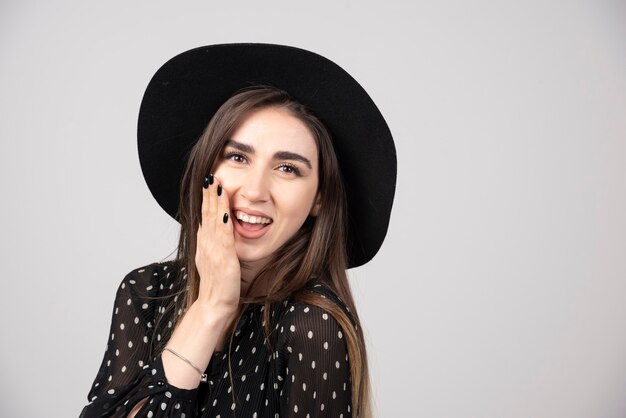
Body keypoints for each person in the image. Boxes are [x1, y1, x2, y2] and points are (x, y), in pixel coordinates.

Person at [80, 43, 396, 418]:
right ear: (205, 169)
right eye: (237, 157)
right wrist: (211, 309)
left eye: (288, 168)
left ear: (319, 199)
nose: (255, 192)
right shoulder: (146, 294)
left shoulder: (311, 326)